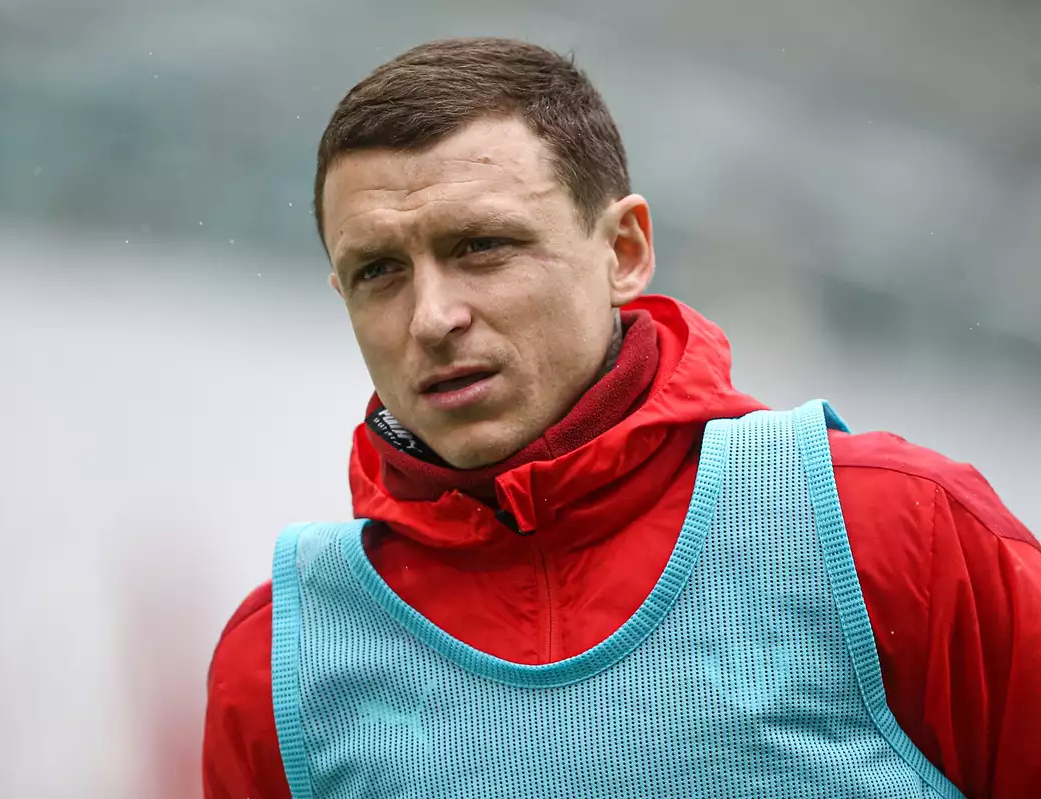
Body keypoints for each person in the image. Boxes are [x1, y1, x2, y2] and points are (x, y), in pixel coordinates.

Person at [202, 37, 1040, 798]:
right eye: (379, 270)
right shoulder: (281, 667)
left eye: (482, 246)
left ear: (625, 251)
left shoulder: (893, 532)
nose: (432, 317)